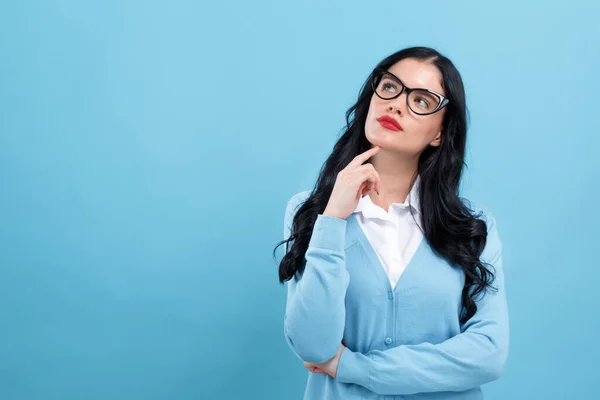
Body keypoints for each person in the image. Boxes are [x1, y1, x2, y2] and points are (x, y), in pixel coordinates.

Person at [274, 46, 509, 399]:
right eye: (389, 87)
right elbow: (313, 345)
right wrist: (333, 217)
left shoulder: (472, 227)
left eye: (422, 100)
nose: (396, 104)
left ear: (439, 134)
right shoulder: (312, 211)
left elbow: (487, 354)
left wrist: (353, 367)